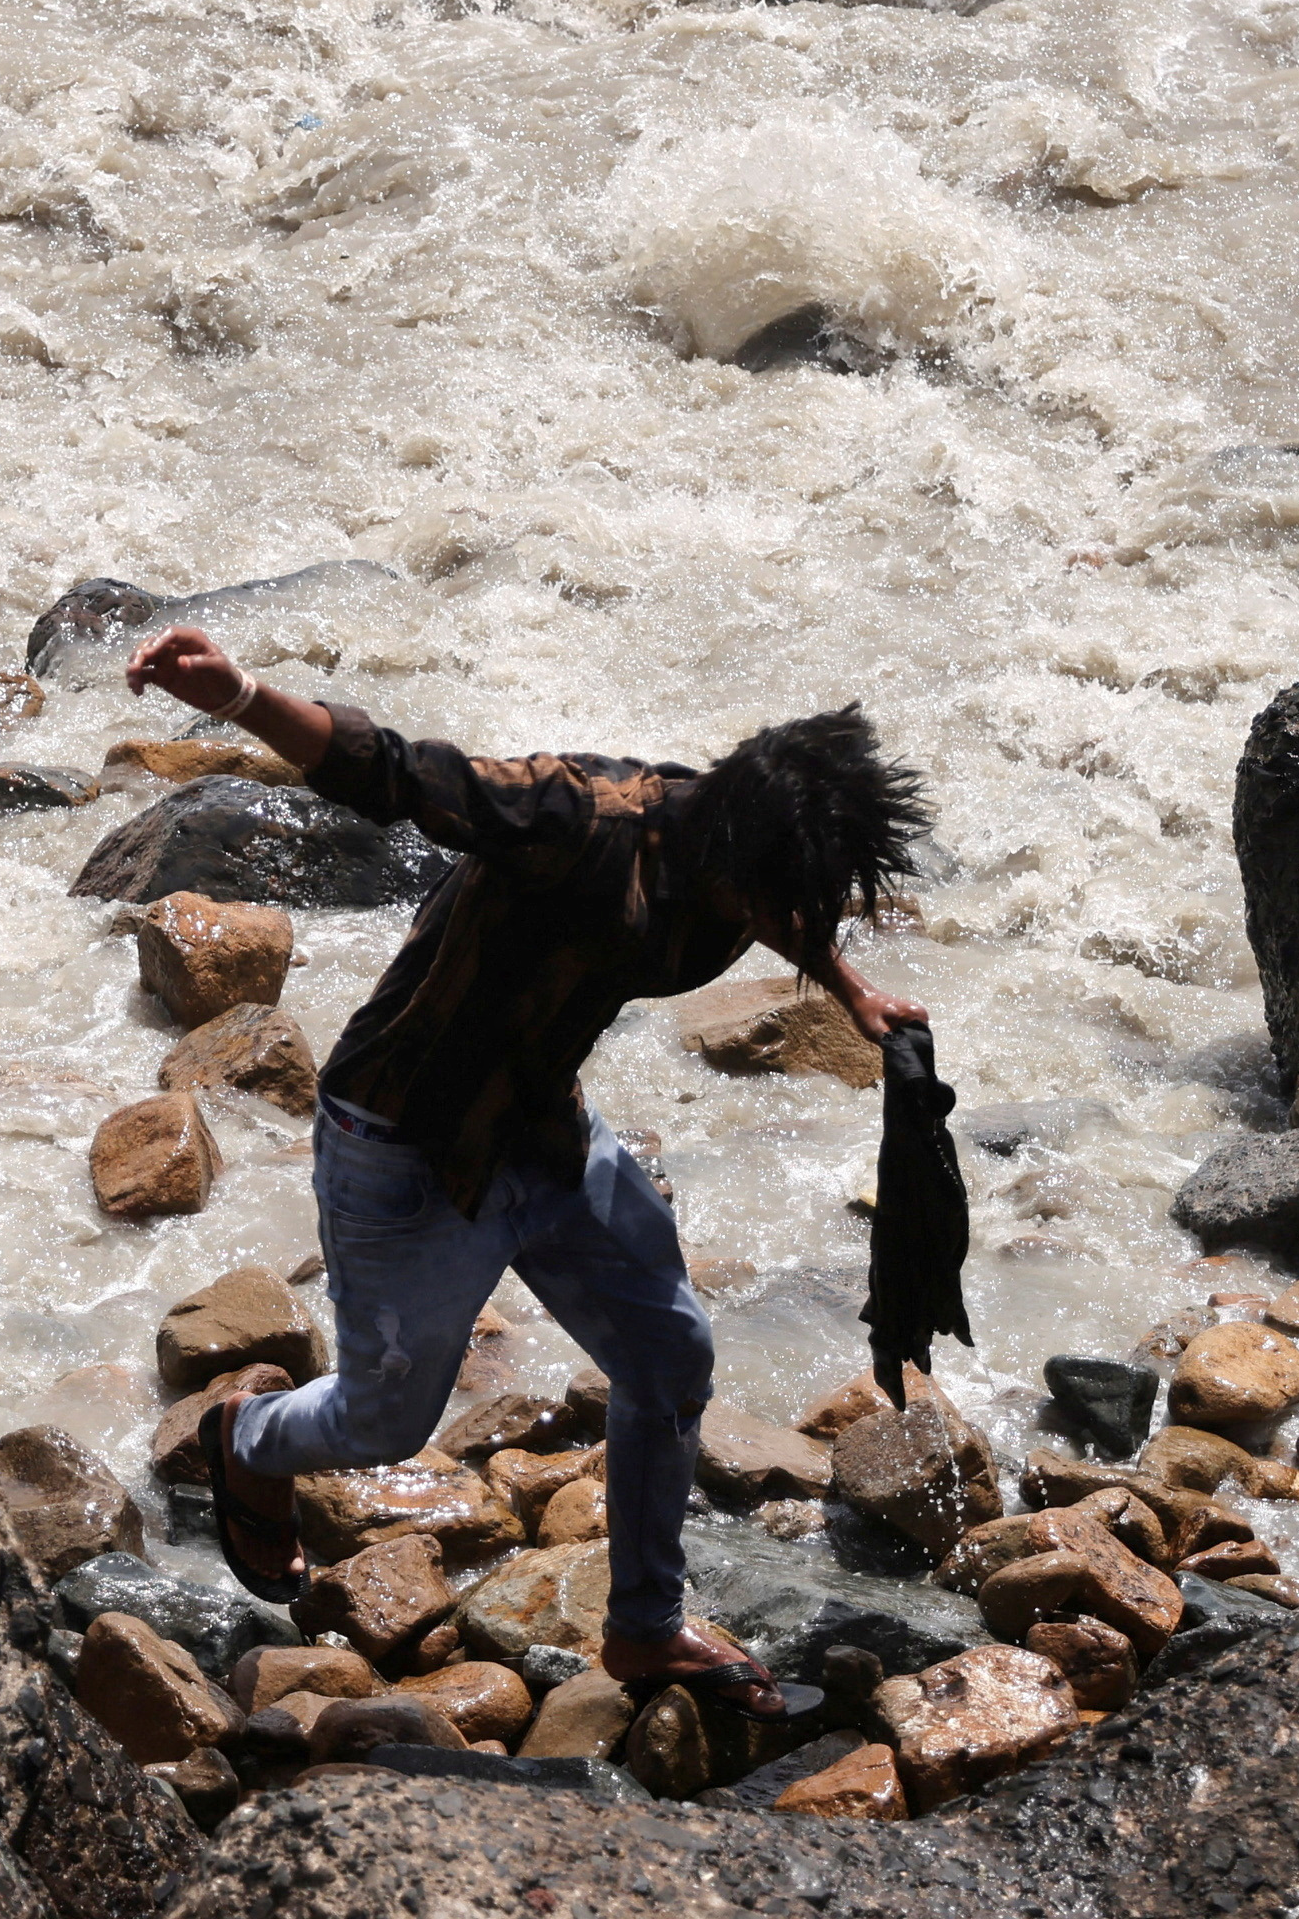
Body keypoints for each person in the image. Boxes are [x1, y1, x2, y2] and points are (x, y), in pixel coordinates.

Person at [125, 624, 932, 1712]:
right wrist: (238, 695)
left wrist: (850, 988)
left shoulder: (761, 865)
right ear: (735, 841)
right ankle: (249, 1436)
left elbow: (792, 906)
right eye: (784, 902)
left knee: (668, 1353)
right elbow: (401, 770)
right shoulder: (578, 816)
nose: (791, 921)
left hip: (541, 1129)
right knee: (382, 1421)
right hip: (401, 1143)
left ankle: (644, 1628)